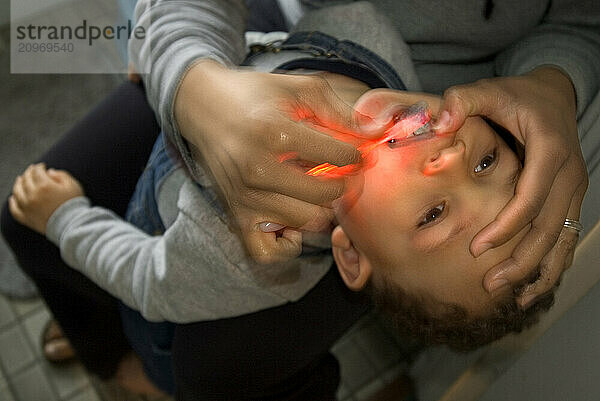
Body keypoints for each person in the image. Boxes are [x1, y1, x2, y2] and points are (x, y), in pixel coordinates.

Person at [8, 71, 578, 393]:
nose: (450, 159)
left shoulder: (240, 255)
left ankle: (133, 371)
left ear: (351, 253)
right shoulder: (375, 44)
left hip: (145, 258)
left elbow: (144, 276)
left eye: (433, 215)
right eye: (486, 162)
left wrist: (66, 219)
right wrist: (177, 80)